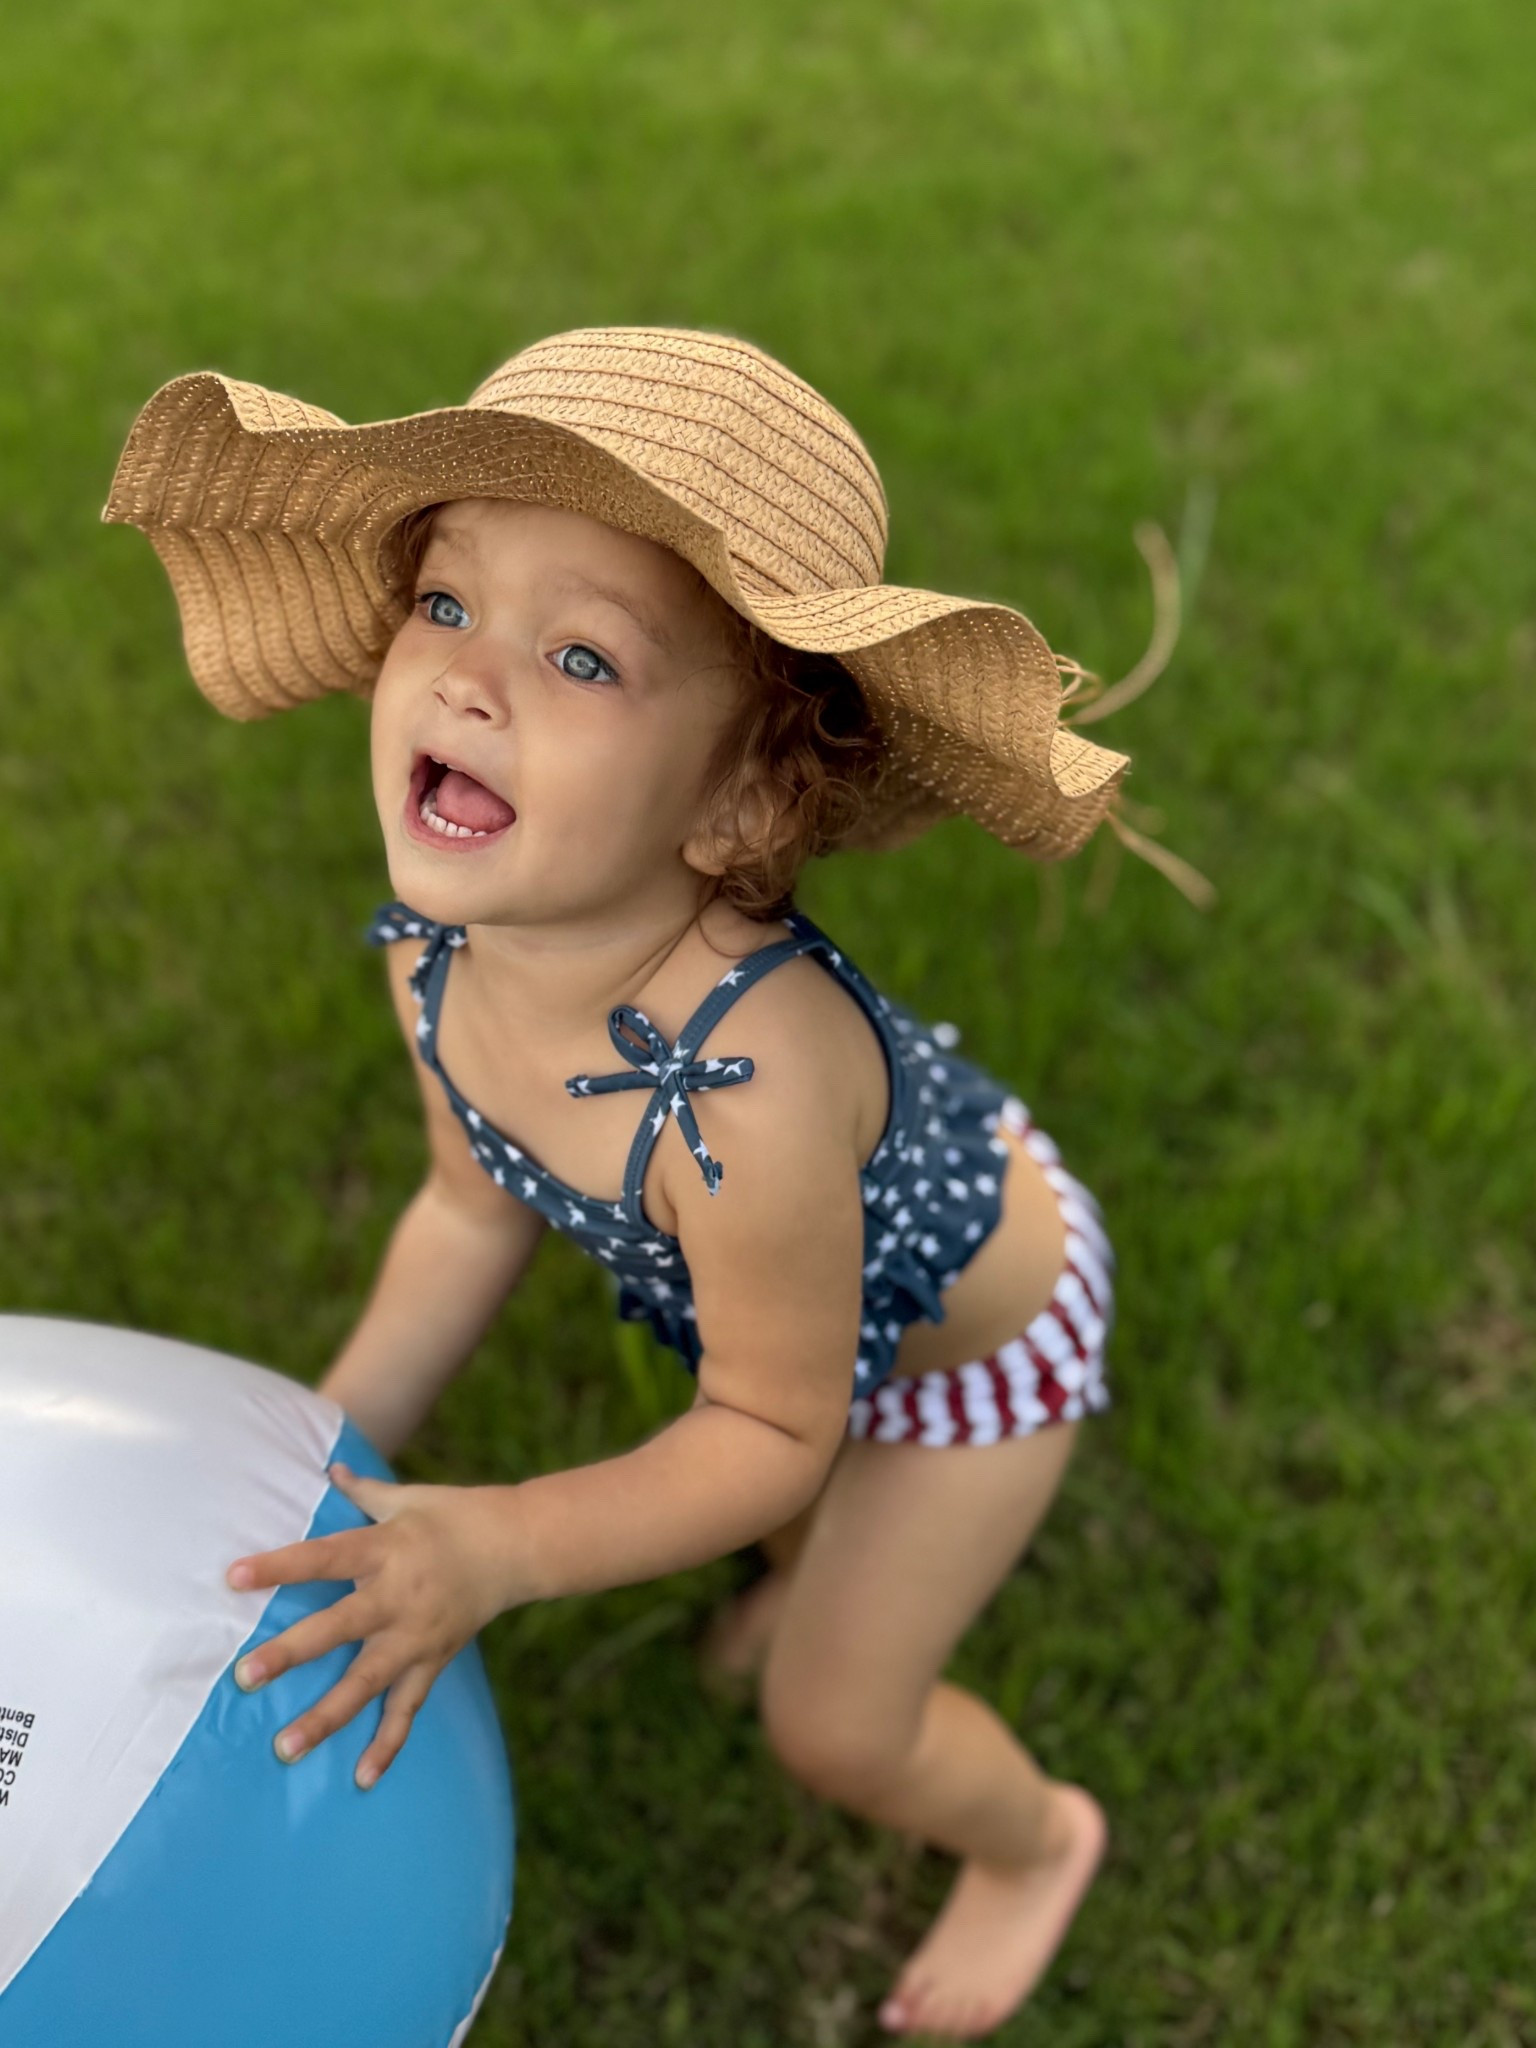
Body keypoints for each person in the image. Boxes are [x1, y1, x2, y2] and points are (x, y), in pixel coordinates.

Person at [103, 325, 1202, 2040]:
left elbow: (778, 1423)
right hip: (790, 1332)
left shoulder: (755, 1093)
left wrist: (505, 1542)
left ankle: (1033, 1839)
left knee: (835, 1715)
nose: (469, 681)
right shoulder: (437, 963)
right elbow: (470, 1208)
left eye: (586, 660)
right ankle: (809, 1575)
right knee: (773, 1508)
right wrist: (307, 1463)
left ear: (740, 796)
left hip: (964, 1353)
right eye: (446, 605)